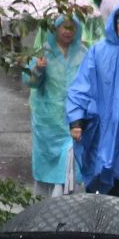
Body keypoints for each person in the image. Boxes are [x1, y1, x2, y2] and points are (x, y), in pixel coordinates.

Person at [66, 5, 119, 199]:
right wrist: (76, 121)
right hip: (101, 132)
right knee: (99, 194)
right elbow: (81, 87)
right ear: (114, 23)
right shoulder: (97, 52)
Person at [23, 17, 88, 196]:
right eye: (64, 27)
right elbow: (30, 82)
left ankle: (67, 209)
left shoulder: (83, 53)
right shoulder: (43, 53)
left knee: (70, 165)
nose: (68, 31)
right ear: (55, 29)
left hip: (74, 122)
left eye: (72, 28)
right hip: (48, 124)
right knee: (49, 172)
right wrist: (38, 70)